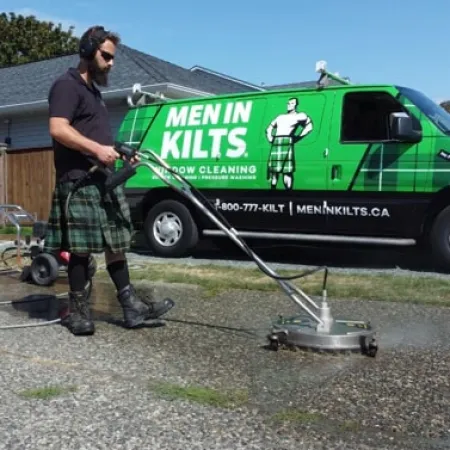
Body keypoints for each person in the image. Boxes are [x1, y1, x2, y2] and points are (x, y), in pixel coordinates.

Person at [44, 25, 174, 336]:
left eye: (112, 57)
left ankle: (131, 308)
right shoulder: (66, 86)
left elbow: (97, 138)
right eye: (106, 56)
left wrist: (120, 152)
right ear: (88, 52)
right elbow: (58, 129)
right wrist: (97, 149)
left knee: (117, 244)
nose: (111, 63)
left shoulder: (94, 93)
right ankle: (77, 311)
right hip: (79, 181)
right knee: (81, 249)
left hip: (104, 179)